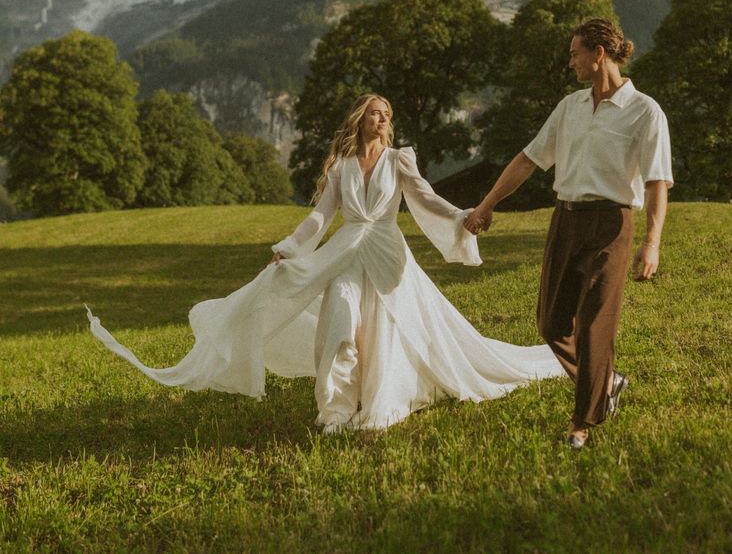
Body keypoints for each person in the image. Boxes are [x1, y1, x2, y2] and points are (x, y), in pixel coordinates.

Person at [87, 93, 565, 432]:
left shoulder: (401, 160)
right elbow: (320, 215)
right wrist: (290, 246)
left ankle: (378, 396)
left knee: (385, 326)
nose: (383, 120)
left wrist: (464, 217)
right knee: (340, 318)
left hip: (387, 252)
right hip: (345, 252)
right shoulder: (340, 167)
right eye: (375, 114)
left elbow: (427, 200)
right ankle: (335, 411)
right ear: (360, 120)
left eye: (387, 115)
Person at [464, 18, 673, 448]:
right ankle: (605, 382)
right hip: (565, 220)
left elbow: (656, 182)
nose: (571, 62)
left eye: (576, 53)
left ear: (599, 54)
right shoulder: (569, 107)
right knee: (550, 324)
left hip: (611, 226)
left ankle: (582, 422)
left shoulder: (645, 111)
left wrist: (651, 242)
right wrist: (487, 205)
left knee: (595, 326)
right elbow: (528, 159)